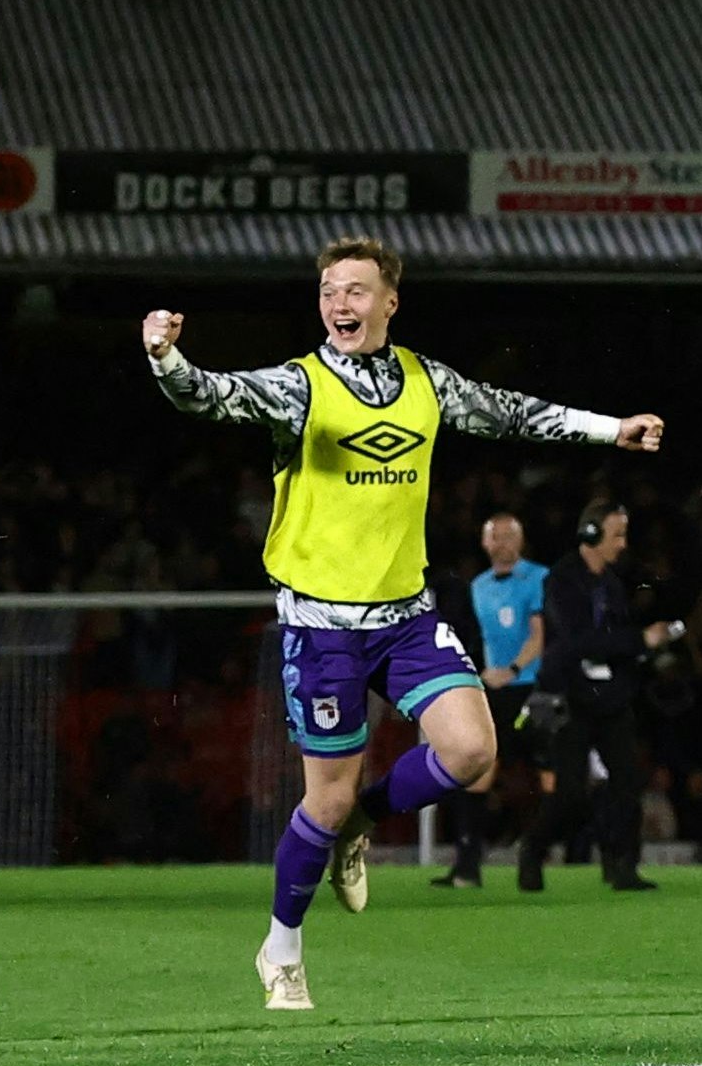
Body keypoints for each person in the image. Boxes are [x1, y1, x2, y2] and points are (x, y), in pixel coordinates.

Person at [145, 235, 662, 1010]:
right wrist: (166, 360)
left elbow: (509, 413)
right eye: (327, 291)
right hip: (322, 626)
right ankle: (281, 946)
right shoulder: (301, 387)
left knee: (472, 750)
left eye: (354, 290)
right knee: (322, 798)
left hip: (406, 617)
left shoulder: (425, 380)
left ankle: (363, 821)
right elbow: (211, 396)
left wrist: (608, 428)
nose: (338, 304)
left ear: (389, 301)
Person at [519, 502, 680, 892]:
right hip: (571, 697)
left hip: (609, 699)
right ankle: (533, 848)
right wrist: (640, 640)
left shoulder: (610, 583)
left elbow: (615, 641)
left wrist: (646, 652)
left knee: (627, 779)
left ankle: (621, 864)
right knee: (570, 793)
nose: (623, 544)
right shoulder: (561, 579)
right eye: (617, 534)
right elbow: (577, 641)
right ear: (591, 534)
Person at [444, 512, 549, 888]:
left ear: (520, 541)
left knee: (548, 775)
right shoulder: (478, 586)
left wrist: (514, 668)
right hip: (495, 689)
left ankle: (539, 857)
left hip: (533, 687)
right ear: (484, 543)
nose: (501, 542)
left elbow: (540, 635)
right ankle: (467, 866)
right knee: (477, 770)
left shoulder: (539, 577)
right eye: (495, 536)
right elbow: (477, 638)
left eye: (509, 536)